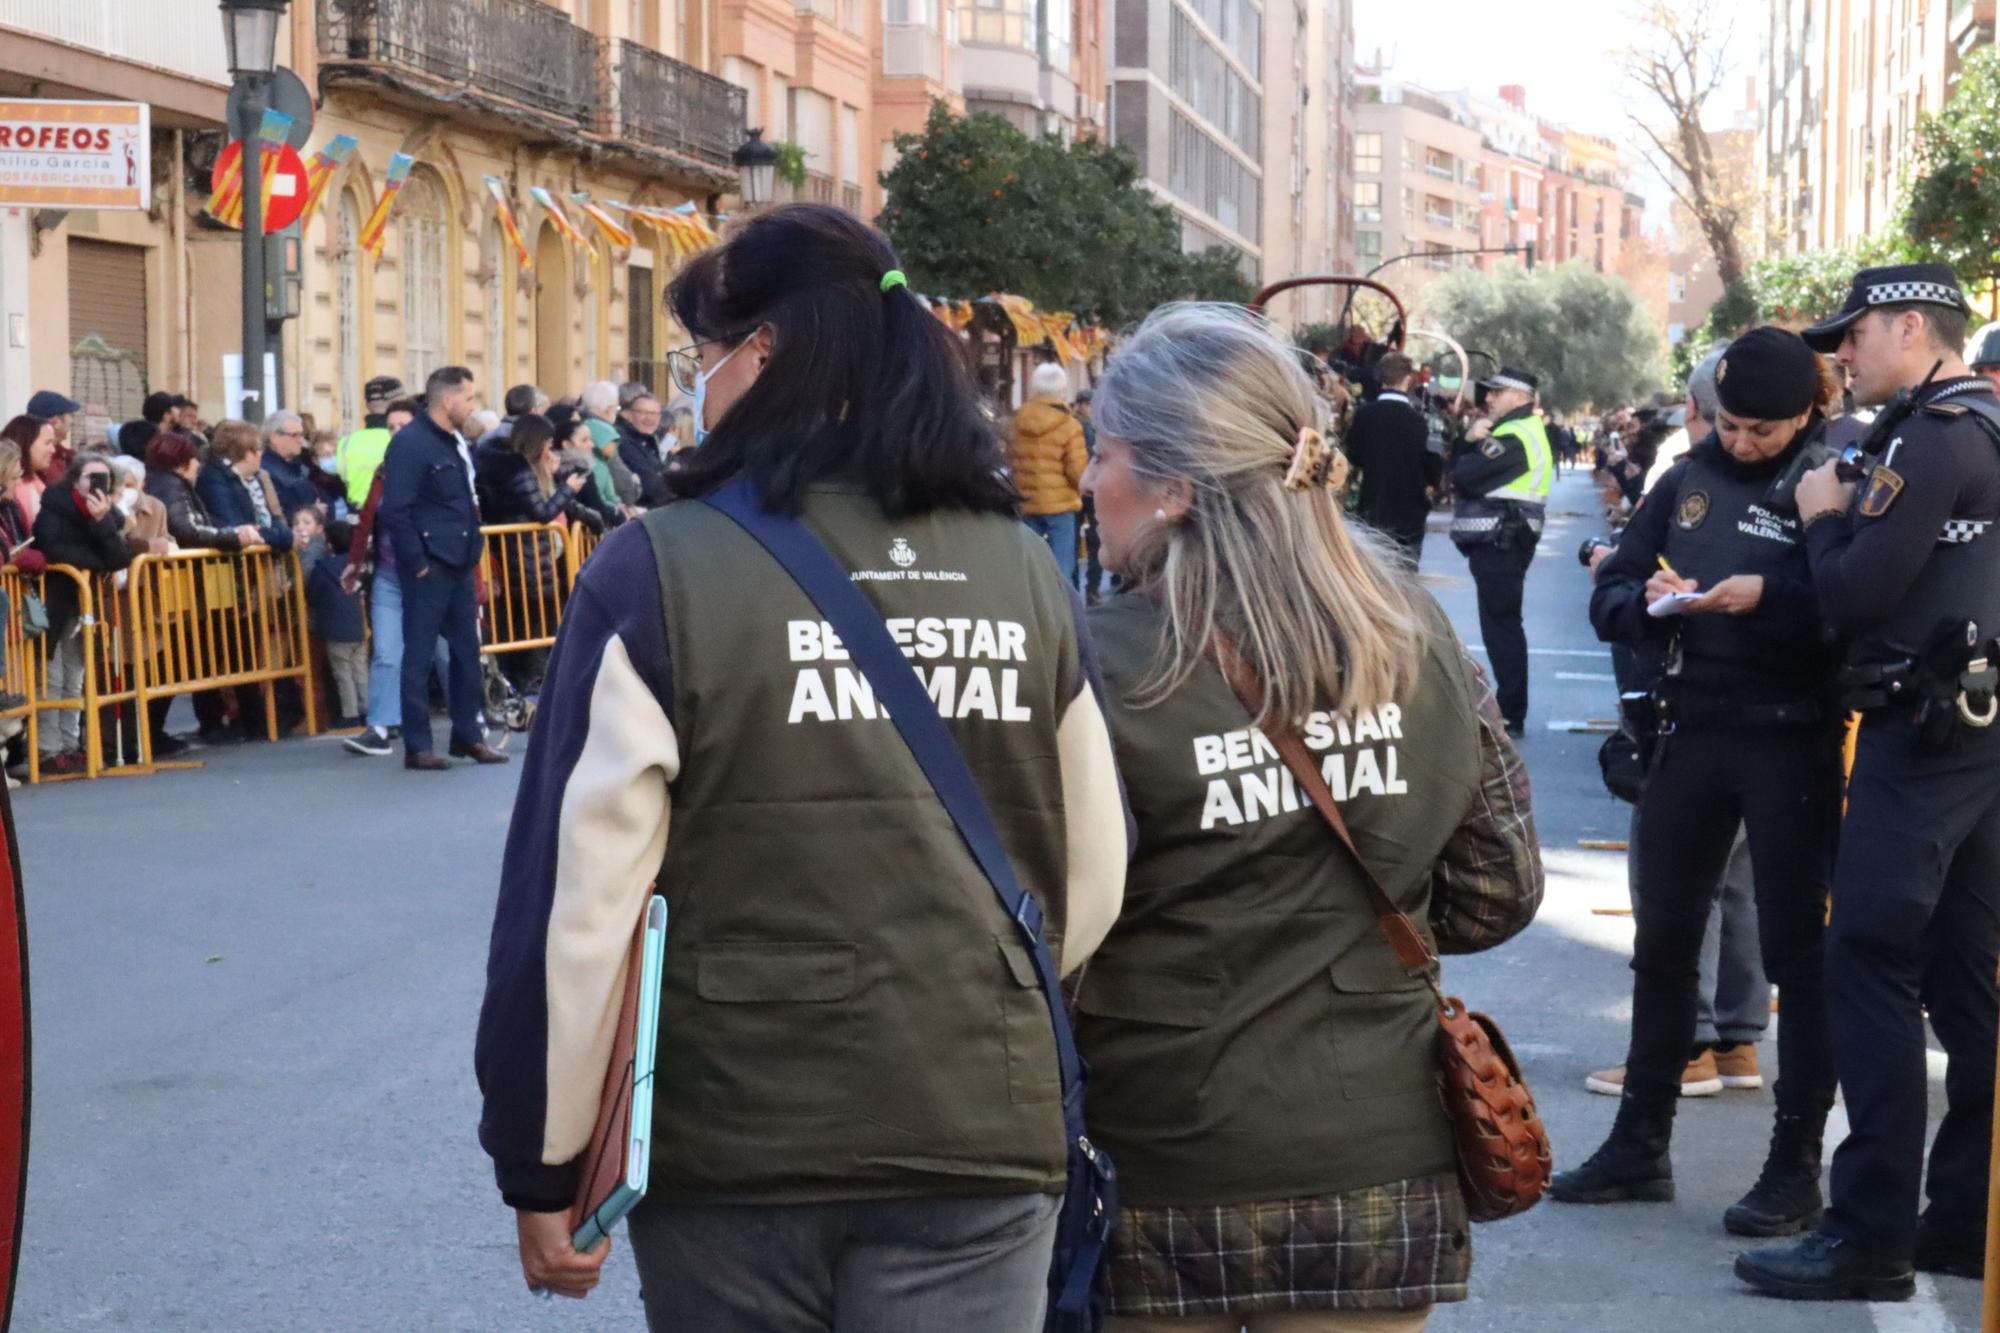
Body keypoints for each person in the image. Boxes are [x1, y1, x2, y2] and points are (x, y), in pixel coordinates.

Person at [476, 203, 1128, 1327]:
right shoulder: (1020, 567)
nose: (695, 384)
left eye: (698, 357)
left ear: (760, 353)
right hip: (976, 1117)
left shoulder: (655, 568)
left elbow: (577, 901)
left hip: (739, 1138)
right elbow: (1095, 870)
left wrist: (544, 1158)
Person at [1074, 303, 1543, 1333]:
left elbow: (1042, 931)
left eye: (1100, 451)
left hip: (1162, 1148)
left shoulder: (1097, 664)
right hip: (1376, 1150)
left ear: (1171, 488)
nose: (1084, 480)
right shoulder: (1410, 628)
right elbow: (1497, 891)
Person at [1736, 265, 2000, 1301]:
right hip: (1974, 728)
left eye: (1851, 335)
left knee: (1867, 962)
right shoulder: (1981, 422)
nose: (1838, 354)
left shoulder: (1928, 434)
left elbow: (1850, 594)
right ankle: (1964, 1215)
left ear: (1907, 325)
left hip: (1920, 731)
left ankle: (1868, 1231)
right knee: (1966, 977)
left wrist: (1816, 511)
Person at [1554, 328, 1843, 1247]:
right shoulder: (1687, 476)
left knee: (1799, 959)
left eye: (1763, 430)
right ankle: (1640, 1143)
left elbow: (1856, 599)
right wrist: (1637, 602)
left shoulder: (1834, 479)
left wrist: (1768, 597)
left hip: (1790, 737)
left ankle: (1795, 1167)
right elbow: (1618, 578)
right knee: (1664, 945)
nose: (1744, 443)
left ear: (1807, 415)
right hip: (1692, 731)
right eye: (1729, 424)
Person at [1584, 342, 1770, 1102]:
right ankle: (1735, 1041)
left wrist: (1638, 585)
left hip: (1692, 715)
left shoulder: (1691, 479)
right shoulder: (1803, 480)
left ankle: (1686, 1044)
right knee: (1736, 886)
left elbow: (1627, 581)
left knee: (1674, 890)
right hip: (1763, 730)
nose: (1741, 443)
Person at [377, 366, 505, 771]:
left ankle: (468, 736)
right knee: (418, 657)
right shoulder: (411, 444)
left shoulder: (452, 441)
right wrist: (416, 565)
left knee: (467, 653)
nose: (472, 406)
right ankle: (418, 745)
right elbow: (396, 510)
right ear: (448, 400)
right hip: (430, 566)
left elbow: (461, 500)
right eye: (469, 398)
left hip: (459, 562)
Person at [340, 399, 449, 758]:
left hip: (432, 573)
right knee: (387, 652)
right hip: (389, 573)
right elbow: (367, 522)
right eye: (391, 428)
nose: (397, 433)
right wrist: (354, 565)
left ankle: (470, 717)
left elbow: (460, 521)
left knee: (445, 651)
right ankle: (379, 728)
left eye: (404, 426)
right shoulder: (383, 472)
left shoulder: (438, 466)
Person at [1448, 366, 1553, 736]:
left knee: (1501, 625)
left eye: (1496, 391)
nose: (1488, 398)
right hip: (1508, 539)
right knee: (1503, 623)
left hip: (1502, 539)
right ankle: (1511, 705)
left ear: (1520, 397)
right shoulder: (1525, 431)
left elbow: (1463, 474)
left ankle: (1511, 709)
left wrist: (1467, 441)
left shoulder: (1513, 436)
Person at [473, 412, 598, 691]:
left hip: (516, 551)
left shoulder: (498, 464)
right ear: (539, 442)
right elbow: (543, 512)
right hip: (528, 554)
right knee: (537, 619)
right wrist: (568, 489)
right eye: (548, 443)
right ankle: (536, 678)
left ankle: (529, 677)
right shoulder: (518, 470)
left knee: (526, 619)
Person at [29, 454, 133, 775]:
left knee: (75, 675)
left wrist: (101, 522)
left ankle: (70, 745)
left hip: (83, 604)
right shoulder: (55, 504)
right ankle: (49, 749)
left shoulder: (108, 514)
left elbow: (118, 557)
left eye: (104, 479)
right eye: (90, 477)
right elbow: (52, 547)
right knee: (52, 676)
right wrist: (95, 561)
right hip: (52, 601)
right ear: (75, 479)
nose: (95, 485)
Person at [1346, 351, 1441, 565]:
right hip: (1410, 514)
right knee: (1406, 582)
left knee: (1374, 578)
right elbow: (1432, 462)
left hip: (1373, 507)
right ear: (1408, 380)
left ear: (1380, 379)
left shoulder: (1365, 415)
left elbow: (1353, 454)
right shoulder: (1419, 420)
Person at [1007, 361, 1088, 585]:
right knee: (1062, 570)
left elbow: (1010, 461)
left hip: (1026, 504)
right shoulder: (1069, 425)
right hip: (1059, 507)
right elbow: (1077, 472)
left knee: (1028, 568)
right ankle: (1064, 616)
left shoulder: (1017, 422)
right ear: (1062, 390)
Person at [295, 508, 368, 728]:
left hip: (335, 630)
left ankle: (350, 713)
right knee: (361, 670)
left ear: (329, 544)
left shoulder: (321, 568)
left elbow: (313, 594)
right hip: (357, 626)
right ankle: (369, 708)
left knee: (342, 673)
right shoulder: (357, 565)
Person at [144, 432, 259, 554]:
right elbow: (186, 530)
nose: (198, 464)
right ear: (183, 462)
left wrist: (232, 532)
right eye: (195, 458)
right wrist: (234, 536)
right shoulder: (171, 486)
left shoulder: (161, 482)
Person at [198, 421, 294, 551]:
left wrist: (278, 534)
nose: (261, 454)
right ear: (248, 455)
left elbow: (279, 527)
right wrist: (276, 535)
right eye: (259, 449)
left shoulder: (255, 480)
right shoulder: (213, 480)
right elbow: (237, 529)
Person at [337, 375, 406, 506]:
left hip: (357, 516)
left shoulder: (346, 443)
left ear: (367, 405)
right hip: (391, 515)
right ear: (399, 401)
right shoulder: (403, 439)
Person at [259, 411, 319, 519]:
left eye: (302, 435)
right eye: (295, 435)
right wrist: (314, 512)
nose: (301, 440)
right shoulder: (266, 470)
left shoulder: (298, 466)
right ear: (274, 438)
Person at [3, 417, 53, 531]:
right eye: (47, 443)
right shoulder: (15, 488)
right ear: (26, 442)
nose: (53, 450)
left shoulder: (37, 479)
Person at [25, 390, 80, 483]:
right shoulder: (47, 463)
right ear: (56, 421)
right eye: (70, 415)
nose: (72, 421)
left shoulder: (62, 455)